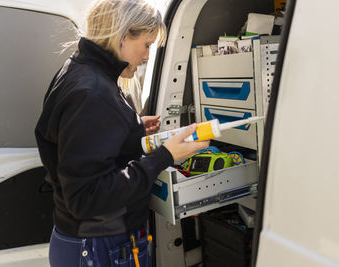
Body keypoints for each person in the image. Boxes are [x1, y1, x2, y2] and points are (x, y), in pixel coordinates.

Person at [34, 0, 209, 266]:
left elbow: (88, 143)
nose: (148, 56)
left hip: (88, 241)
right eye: (147, 45)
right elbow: (87, 198)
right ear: (124, 35)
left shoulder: (84, 71)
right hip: (97, 246)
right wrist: (164, 156)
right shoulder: (92, 93)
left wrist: (132, 128)